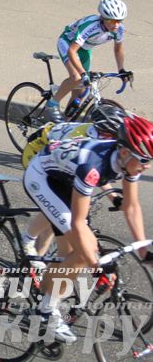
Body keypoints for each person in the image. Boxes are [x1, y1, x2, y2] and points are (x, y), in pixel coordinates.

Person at [22, 113, 153, 343]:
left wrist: (143, 252)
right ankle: (44, 312)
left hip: (65, 177)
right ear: (124, 152)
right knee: (84, 253)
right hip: (41, 177)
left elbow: (131, 207)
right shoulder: (93, 165)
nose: (147, 166)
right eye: (143, 159)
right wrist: (96, 264)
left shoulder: (127, 163)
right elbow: (78, 223)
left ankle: (45, 289)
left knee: (75, 254)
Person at [18, 104, 126, 267]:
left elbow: (95, 175)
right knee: (57, 210)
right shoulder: (85, 139)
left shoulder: (100, 138)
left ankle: (36, 262)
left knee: (63, 212)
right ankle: (28, 244)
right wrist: (112, 197)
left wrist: (114, 198)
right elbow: (88, 171)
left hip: (58, 159)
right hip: (37, 152)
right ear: (105, 132)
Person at [45, 0, 129, 121]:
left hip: (85, 49)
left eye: (119, 20)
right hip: (68, 43)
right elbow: (72, 51)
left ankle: (65, 123)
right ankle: (52, 104)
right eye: (112, 21)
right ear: (103, 18)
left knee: (80, 91)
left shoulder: (119, 29)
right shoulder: (91, 26)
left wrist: (121, 70)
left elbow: (118, 49)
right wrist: (83, 73)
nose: (116, 25)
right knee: (77, 77)